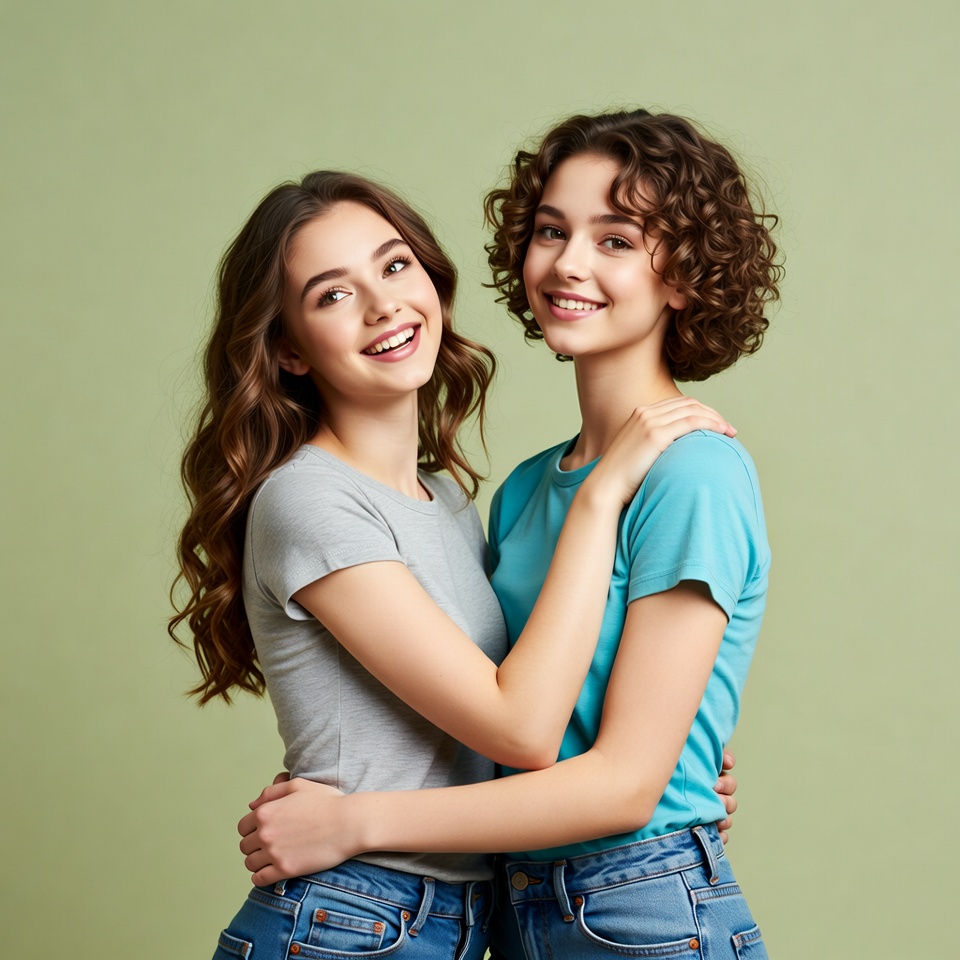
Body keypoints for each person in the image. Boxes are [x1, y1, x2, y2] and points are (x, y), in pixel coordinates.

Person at [237, 109, 782, 960]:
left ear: (684, 275)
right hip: (512, 907)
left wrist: (674, 768)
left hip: (633, 902)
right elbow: (516, 706)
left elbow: (624, 784)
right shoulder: (521, 490)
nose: (569, 262)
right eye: (552, 231)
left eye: (615, 239)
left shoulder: (693, 471)